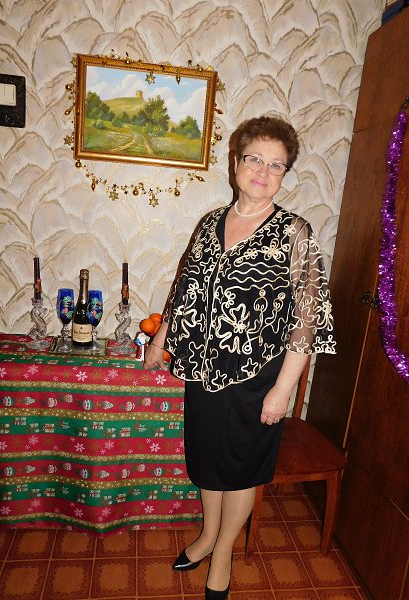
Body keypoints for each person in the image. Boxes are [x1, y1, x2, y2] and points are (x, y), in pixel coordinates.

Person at [144, 115, 336, 600]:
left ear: (285, 173)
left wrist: (283, 390)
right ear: (236, 164)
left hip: (256, 377)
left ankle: (224, 551)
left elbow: (309, 318)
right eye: (255, 159)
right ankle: (208, 534)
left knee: (241, 469)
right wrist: (162, 338)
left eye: (276, 164)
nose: (263, 171)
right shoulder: (210, 222)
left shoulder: (295, 232)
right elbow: (185, 286)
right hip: (201, 369)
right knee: (209, 460)